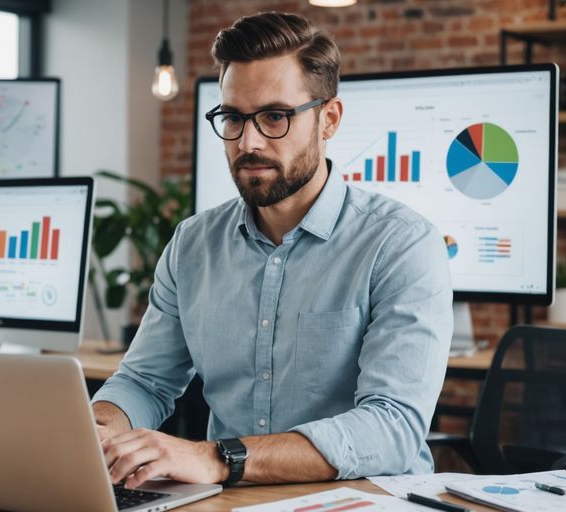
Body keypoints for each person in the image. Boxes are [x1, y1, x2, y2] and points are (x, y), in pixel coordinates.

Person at [92, 11, 453, 488]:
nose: (249, 141)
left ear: (329, 119)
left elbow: (392, 428)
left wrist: (221, 458)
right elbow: (144, 382)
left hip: (363, 499)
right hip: (230, 500)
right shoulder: (193, 244)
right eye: (233, 118)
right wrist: (98, 430)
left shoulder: (401, 244)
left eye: (275, 117)